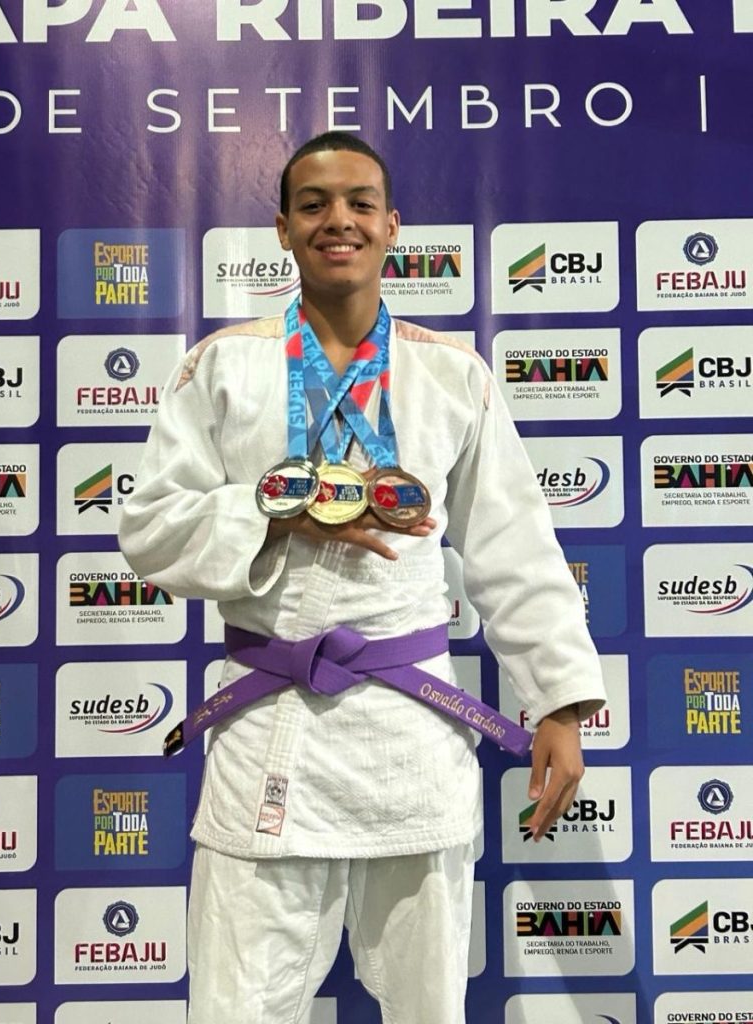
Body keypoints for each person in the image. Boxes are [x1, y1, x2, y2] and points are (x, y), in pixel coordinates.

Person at [118, 131, 606, 1024]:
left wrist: (561, 705)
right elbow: (148, 528)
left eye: (358, 203)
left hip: (410, 735)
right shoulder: (224, 365)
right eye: (313, 205)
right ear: (282, 229)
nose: (336, 220)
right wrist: (269, 513)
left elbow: (517, 550)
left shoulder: (450, 375)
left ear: (391, 226)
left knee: (427, 1007)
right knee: (233, 1007)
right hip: (270, 728)